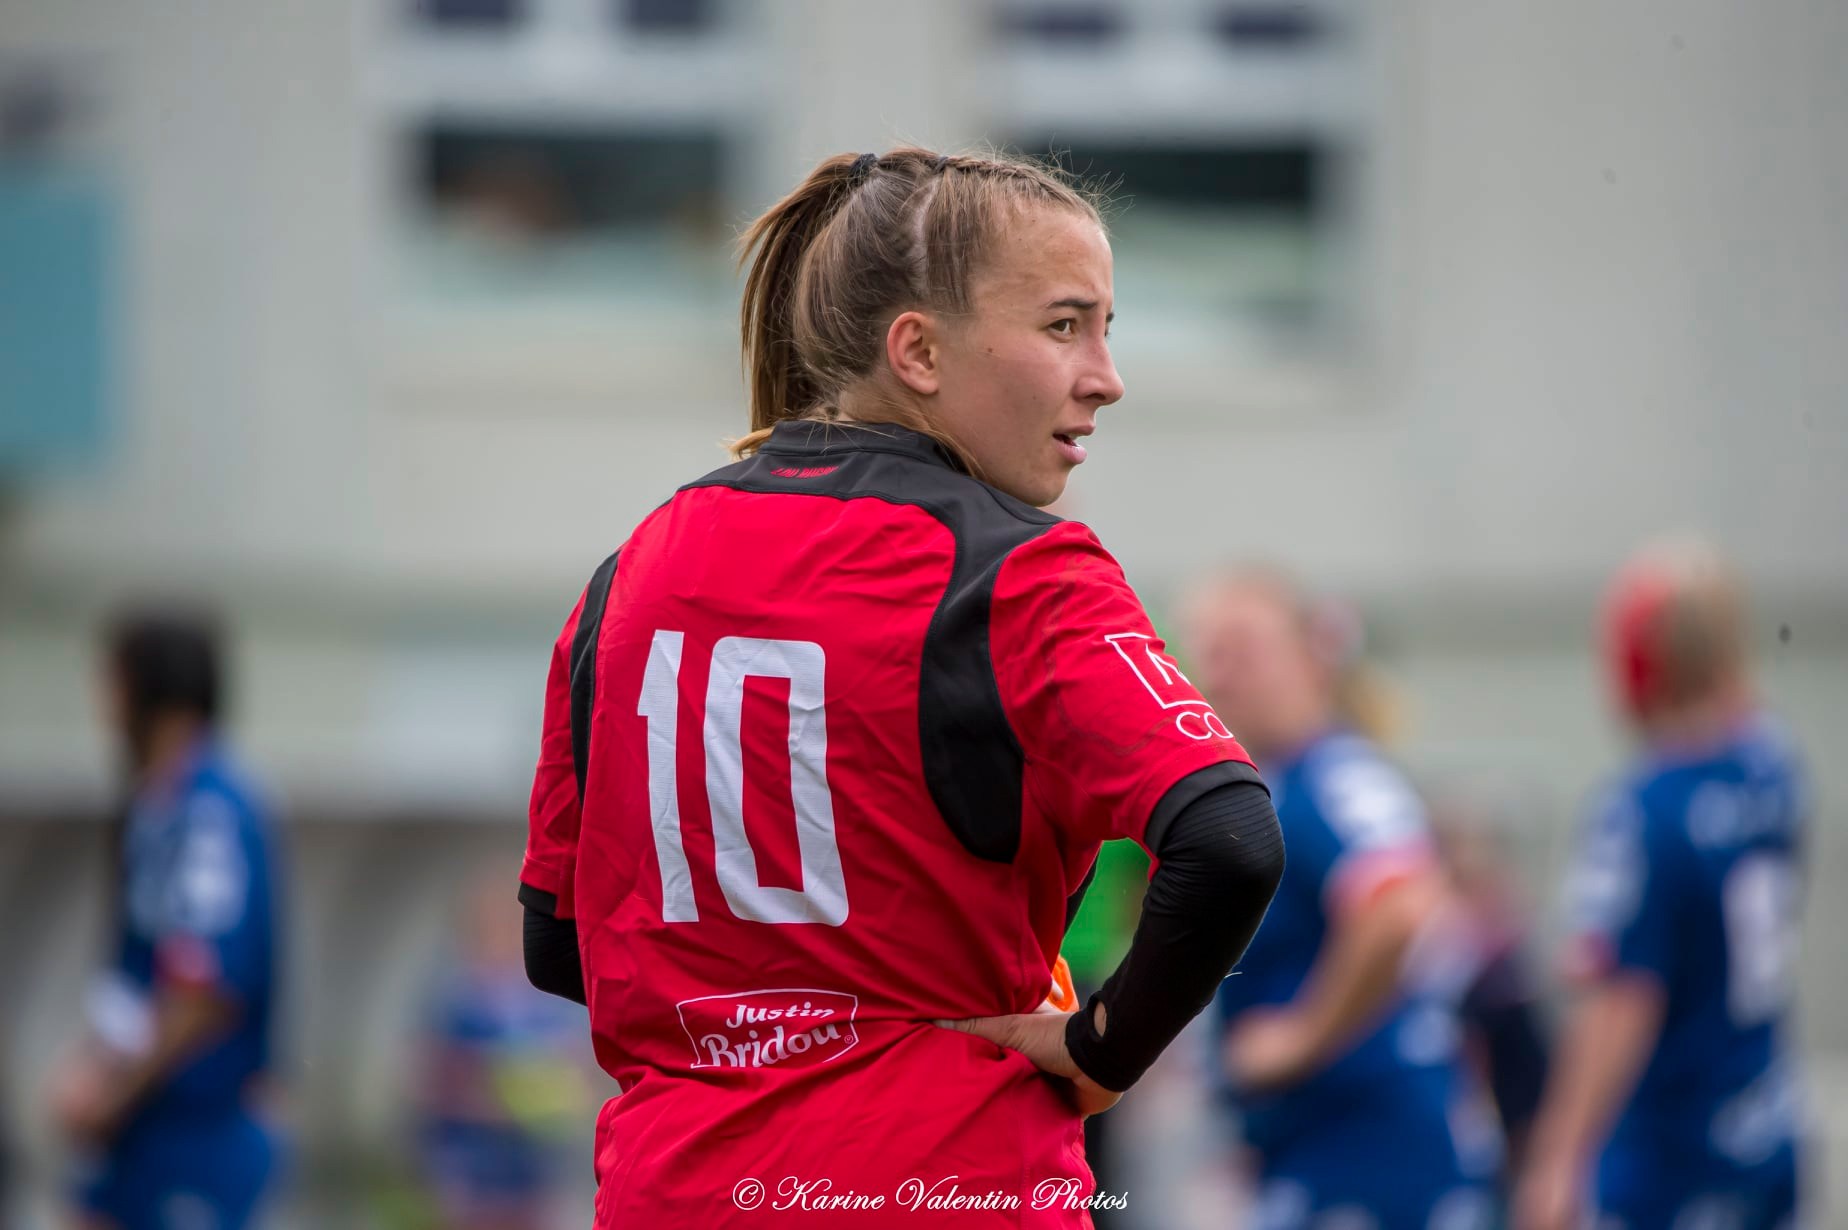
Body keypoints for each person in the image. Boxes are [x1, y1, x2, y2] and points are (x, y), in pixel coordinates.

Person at [516, 146, 1285, 1226]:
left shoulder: (632, 571)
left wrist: (762, 1027)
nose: (1107, 374)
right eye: (1066, 326)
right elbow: (1232, 839)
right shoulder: (1022, 570)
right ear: (917, 351)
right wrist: (1101, 1044)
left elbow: (563, 944)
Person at [1181, 570, 1499, 1230]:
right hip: (1314, 1145)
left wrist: (1302, 1037)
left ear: (1309, 658)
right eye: (1209, 653)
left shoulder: (1334, 775)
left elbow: (1398, 904)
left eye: (1242, 649)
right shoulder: (1267, 783)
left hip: (1372, 1152)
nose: (1221, 674)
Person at [1516, 542, 1808, 1230]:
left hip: (1667, 1150)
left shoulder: (1641, 809)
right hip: (1764, 1118)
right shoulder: (1773, 767)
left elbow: (1623, 1001)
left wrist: (1559, 1158)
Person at [50, 608, 283, 1230]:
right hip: (146, 1123)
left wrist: (110, 1091)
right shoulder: (158, 802)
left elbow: (204, 988)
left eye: (113, 682)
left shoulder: (209, 810)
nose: (102, 705)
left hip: (197, 1127)